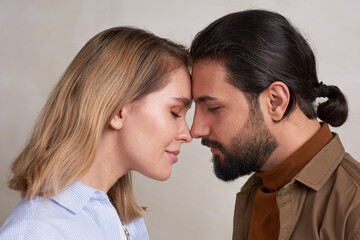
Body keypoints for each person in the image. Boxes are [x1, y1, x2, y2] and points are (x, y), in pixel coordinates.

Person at [0, 26, 192, 240]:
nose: (187, 134)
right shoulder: (36, 232)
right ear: (118, 112)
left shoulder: (125, 221)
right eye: (175, 112)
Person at [190, 9, 360, 240]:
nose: (195, 129)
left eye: (213, 108)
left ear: (276, 101)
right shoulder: (257, 190)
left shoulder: (354, 210)